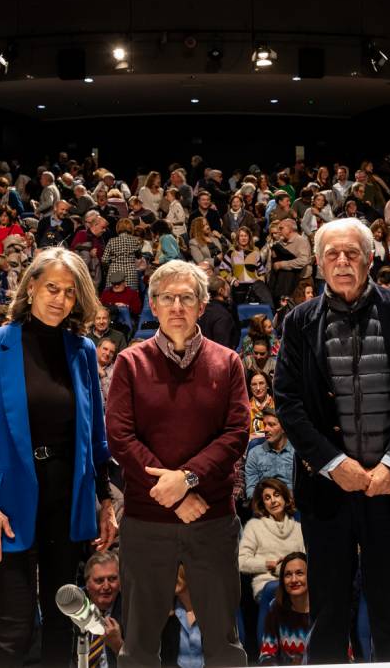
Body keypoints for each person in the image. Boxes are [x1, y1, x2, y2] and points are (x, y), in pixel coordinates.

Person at [274, 218, 390, 663]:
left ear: (371, 258)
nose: (343, 261)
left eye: (352, 253)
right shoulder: (298, 321)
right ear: (318, 262)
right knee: (327, 613)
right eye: (333, 254)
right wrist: (332, 463)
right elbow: (288, 402)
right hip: (327, 488)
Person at [0, 247, 116, 665]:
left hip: (67, 499)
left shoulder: (82, 350)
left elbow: (96, 436)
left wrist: (104, 500)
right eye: (51, 288)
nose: (59, 299)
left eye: (69, 292)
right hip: (6, 506)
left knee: (64, 622)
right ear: (30, 287)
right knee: (16, 624)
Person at [104, 259, 248, 666]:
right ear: (153, 304)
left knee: (223, 642)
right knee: (140, 645)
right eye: (167, 298)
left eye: (187, 298)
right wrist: (175, 496)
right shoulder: (131, 363)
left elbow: (237, 434)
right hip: (148, 523)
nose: (177, 307)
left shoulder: (227, 362)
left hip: (213, 519)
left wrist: (186, 480)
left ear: (202, 306)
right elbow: (121, 437)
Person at [238, 477, 305, 603]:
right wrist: (269, 564)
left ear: (285, 498)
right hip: (268, 584)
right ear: (263, 504)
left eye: (277, 495)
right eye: (267, 498)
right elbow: (241, 561)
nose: (273, 501)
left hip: (296, 582)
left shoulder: (298, 528)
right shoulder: (254, 526)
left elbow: (306, 559)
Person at [258, 552, 312, 665]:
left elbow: (345, 655)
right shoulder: (276, 608)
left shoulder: (325, 610)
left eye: (299, 573)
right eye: (288, 575)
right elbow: (266, 654)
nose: (293, 580)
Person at [244, 409, 296, 498]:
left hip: (294, 504)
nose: (266, 429)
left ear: (284, 428)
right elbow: (251, 489)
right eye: (265, 425)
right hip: (265, 505)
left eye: (271, 425)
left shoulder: (296, 452)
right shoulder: (255, 453)